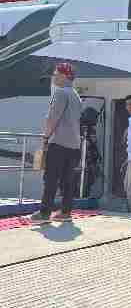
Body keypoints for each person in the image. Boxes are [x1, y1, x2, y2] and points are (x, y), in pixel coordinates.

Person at [30, 62, 83, 224]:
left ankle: (44, 213)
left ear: (63, 76)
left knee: (51, 178)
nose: (53, 76)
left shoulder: (60, 93)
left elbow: (53, 118)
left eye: (55, 74)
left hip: (59, 143)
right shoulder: (75, 95)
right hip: (74, 144)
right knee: (68, 180)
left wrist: (46, 137)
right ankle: (66, 212)